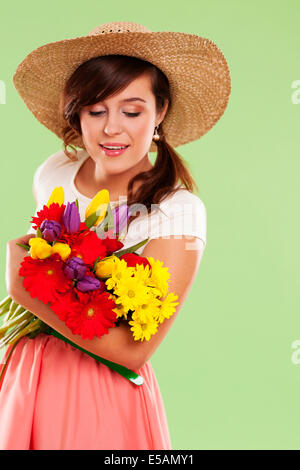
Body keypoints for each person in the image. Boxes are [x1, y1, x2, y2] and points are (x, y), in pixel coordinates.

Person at [0, 21, 231, 450]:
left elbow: (133, 351)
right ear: (77, 114)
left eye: (132, 110)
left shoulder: (176, 213)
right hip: (27, 374)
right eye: (96, 110)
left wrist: (23, 287)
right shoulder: (55, 171)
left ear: (160, 112)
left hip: (100, 389)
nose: (111, 129)